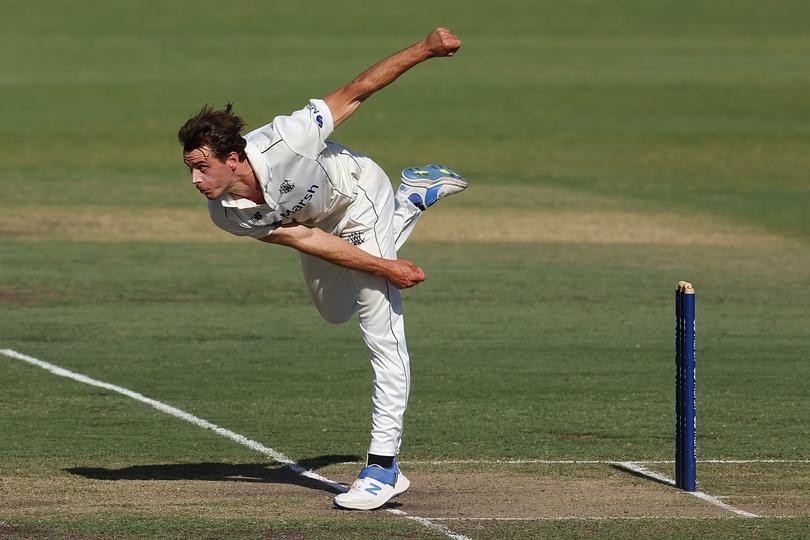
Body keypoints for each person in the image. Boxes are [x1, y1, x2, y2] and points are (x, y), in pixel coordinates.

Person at [177, 27, 467, 511]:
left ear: (233, 158)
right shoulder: (227, 213)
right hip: (319, 227)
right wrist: (383, 265)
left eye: (202, 168)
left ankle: (382, 467)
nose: (194, 179)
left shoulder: (285, 139)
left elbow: (357, 90)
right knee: (335, 310)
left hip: (358, 198)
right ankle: (413, 198)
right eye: (189, 168)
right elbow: (305, 238)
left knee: (383, 331)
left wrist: (426, 49)